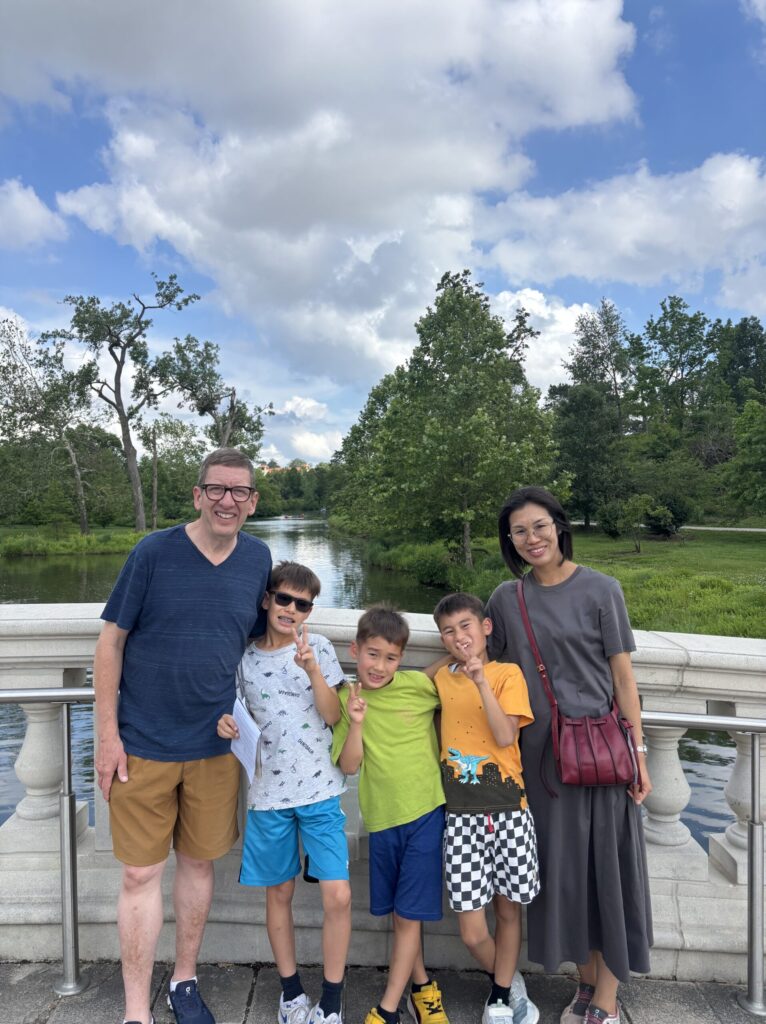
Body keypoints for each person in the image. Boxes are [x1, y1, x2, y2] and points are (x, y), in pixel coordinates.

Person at [94, 447, 271, 1024]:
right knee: (140, 872)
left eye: (239, 491)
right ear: (198, 495)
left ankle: (184, 981)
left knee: (198, 865)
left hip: (216, 746)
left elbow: (258, 641)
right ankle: (135, 1009)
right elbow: (110, 642)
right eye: (216, 489)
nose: (227, 501)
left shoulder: (258, 559)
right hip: (142, 742)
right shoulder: (153, 552)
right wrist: (106, 735)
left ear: (252, 502)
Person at [485, 486, 653, 1024]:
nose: (531, 538)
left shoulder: (602, 589)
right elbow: (482, 666)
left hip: (600, 756)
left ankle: (607, 995)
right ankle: (584, 980)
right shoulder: (506, 599)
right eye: (519, 531)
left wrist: (640, 754)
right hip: (540, 765)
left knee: (608, 873)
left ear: (559, 526)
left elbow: (623, 680)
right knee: (564, 875)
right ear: (510, 541)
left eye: (539, 526)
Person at [217, 561, 351, 1024]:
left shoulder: (320, 648)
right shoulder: (243, 660)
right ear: (267, 599)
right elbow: (235, 716)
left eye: (303, 604)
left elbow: (333, 716)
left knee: (338, 895)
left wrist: (312, 670)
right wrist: (225, 723)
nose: (291, 609)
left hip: (320, 790)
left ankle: (331, 1001)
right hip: (268, 795)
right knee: (279, 893)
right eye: (284, 599)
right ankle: (291, 993)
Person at [331, 605, 449, 1024]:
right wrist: (357, 722)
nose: (380, 666)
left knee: (408, 914)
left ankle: (388, 1009)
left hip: (425, 814)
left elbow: (443, 672)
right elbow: (349, 766)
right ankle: (423, 989)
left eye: (391, 657)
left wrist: (464, 647)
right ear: (355, 651)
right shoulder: (347, 699)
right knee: (403, 913)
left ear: (402, 659)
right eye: (373, 655)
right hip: (381, 819)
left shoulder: (417, 685)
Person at [432, 592, 540, 1024]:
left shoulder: (507, 674)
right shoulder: (443, 678)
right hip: (460, 817)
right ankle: (511, 983)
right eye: (448, 631)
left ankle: (498, 995)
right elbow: (409, 682)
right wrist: (455, 659)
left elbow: (504, 735)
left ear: (486, 627)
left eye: (466, 626)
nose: (459, 636)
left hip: (509, 810)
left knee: (508, 909)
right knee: (472, 929)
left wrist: (479, 680)